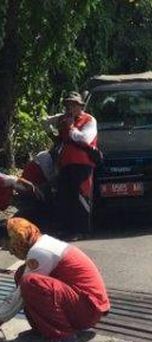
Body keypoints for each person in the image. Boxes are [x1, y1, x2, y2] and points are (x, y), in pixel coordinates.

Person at [2, 217, 110, 342]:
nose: (9, 252)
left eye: (7, 245)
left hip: (88, 311)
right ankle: (43, 330)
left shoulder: (40, 252)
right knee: (21, 274)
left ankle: (63, 337)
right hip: (83, 304)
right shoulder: (41, 243)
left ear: (17, 238)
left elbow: (20, 295)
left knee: (30, 282)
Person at [43, 91, 99, 240]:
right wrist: (54, 135)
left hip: (83, 163)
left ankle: (81, 230)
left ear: (80, 106)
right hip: (65, 163)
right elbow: (45, 122)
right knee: (65, 196)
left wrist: (71, 127)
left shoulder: (89, 120)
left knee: (81, 196)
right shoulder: (63, 119)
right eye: (68, 105)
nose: (70, 108)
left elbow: (85, 139)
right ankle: (66, 229)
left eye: (73, 105)